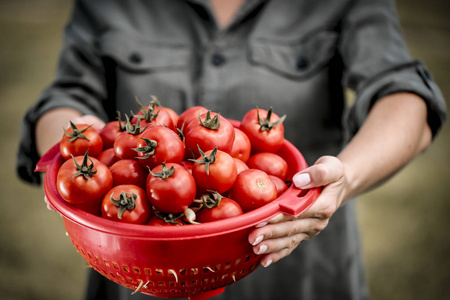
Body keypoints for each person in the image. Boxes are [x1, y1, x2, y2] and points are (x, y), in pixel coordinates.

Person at [17, 0, 446, 299]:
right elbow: (67, 96)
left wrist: (345, 176)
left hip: (299, 275)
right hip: (139, 267)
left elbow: (403, 93)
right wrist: (78, 147)